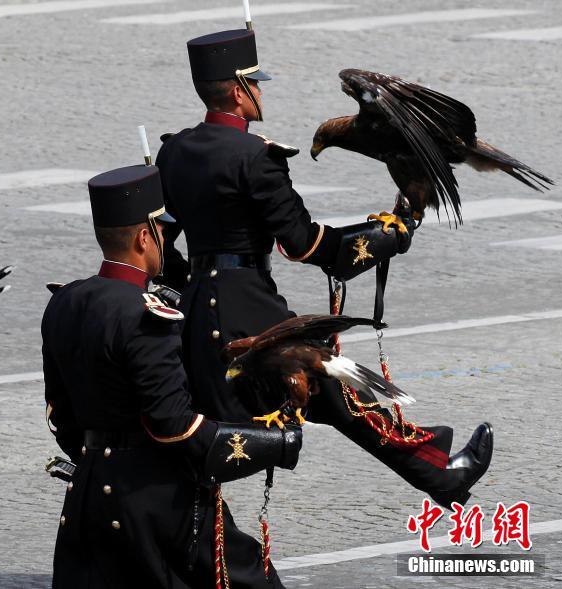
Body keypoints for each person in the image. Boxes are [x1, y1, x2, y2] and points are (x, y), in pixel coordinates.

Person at [154, 27, 492, 509]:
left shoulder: (173, 150)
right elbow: (305, 244)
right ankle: (437, 470)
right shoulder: (257, 157)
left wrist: (194, 293)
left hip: (198, 310)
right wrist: (387, 236)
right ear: (237, 91)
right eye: (255, 84)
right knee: (329, 387)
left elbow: (163, 246)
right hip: (249, 307)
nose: (260, 92)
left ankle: (437, 470)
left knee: (330, 393)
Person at [43, 163, 302, 588]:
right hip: (157, 501)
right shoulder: (146, 315)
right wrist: (272, 443)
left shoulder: (66, 302)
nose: (165, 239)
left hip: (88, 492)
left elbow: (60, 414)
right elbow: (174, 426)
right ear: (145, 237)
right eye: (161, 231)